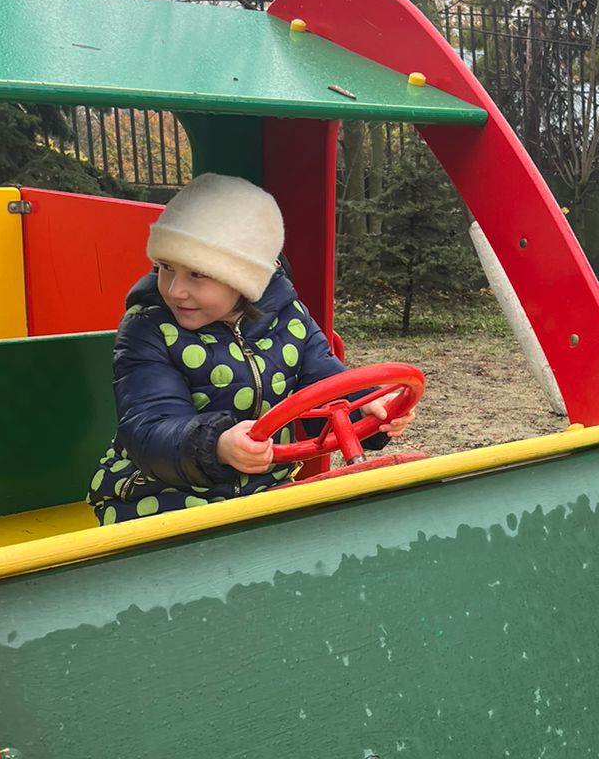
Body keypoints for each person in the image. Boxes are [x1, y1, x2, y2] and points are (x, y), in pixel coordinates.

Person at [88, 173, 413, 525]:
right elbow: (149, 427)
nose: (175, 289)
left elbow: (326, 386)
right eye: (166, 268)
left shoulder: (289, 319)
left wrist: (367, 410)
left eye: (197, 274)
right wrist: (218, 446)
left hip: (262, 494)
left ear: (245, 277)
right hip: (160, 498)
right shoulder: (149, 329)